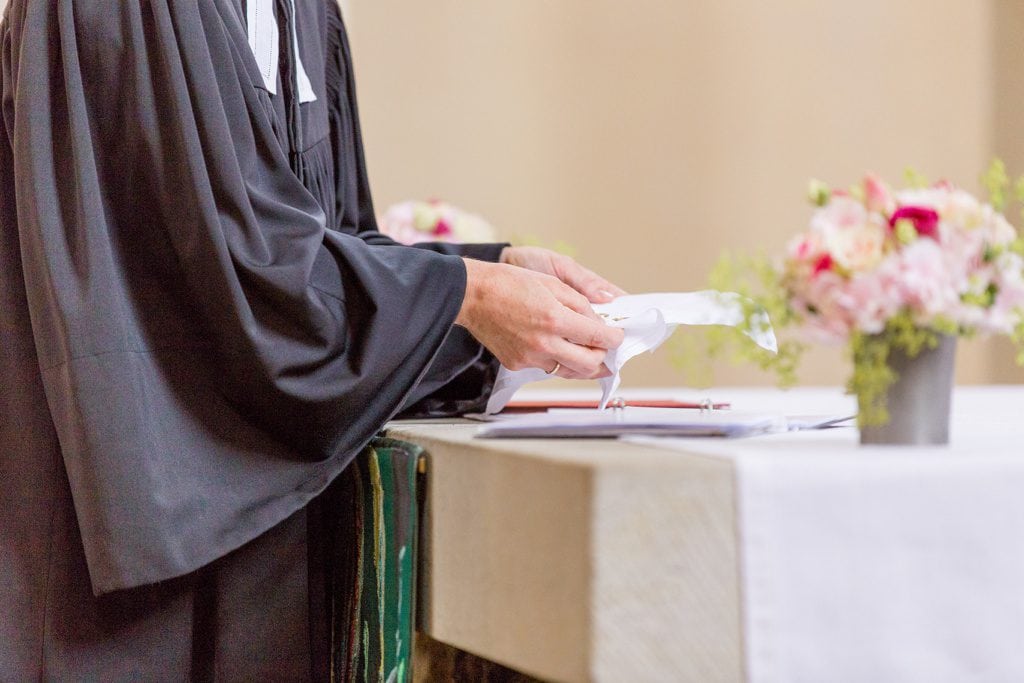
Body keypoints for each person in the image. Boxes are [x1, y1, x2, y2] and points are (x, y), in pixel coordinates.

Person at [0, 0, 625, 679]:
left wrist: (481, 289)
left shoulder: (304, 12)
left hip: (269, 544)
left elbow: (326, 249)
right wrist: (466, 296)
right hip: (133, 561)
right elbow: (240, 278)